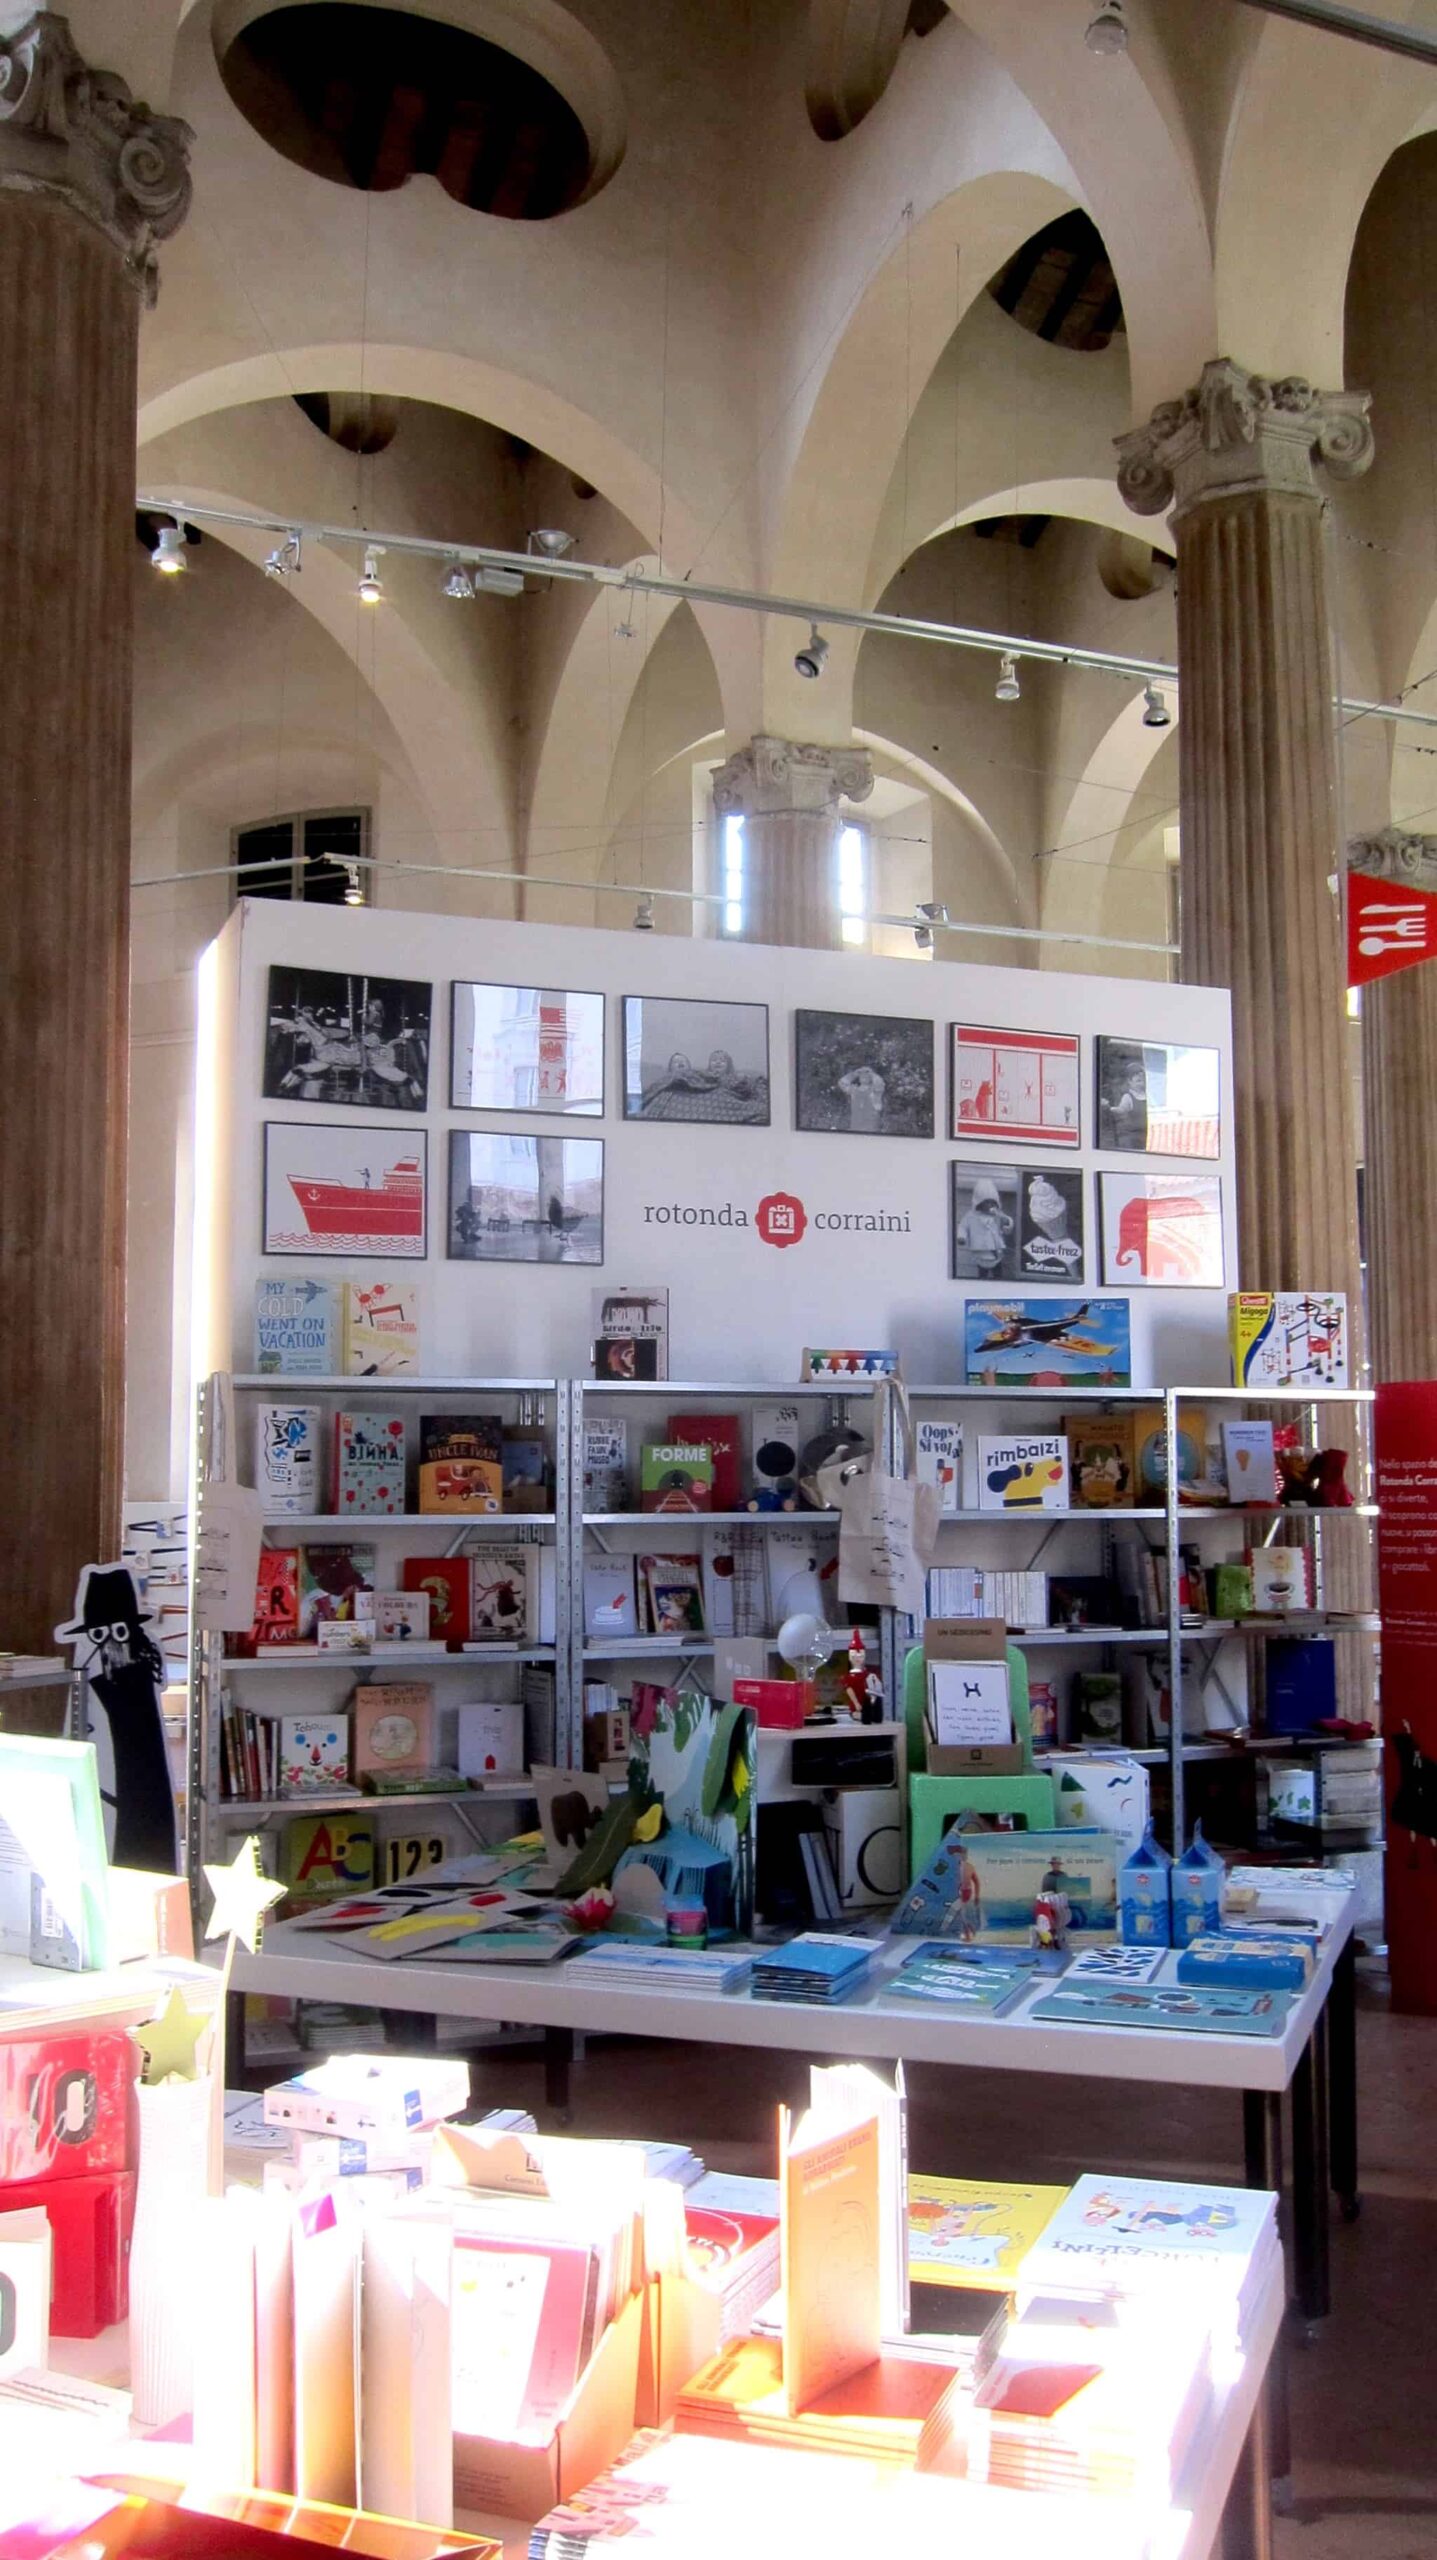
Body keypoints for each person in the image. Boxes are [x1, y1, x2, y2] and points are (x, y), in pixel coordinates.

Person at [954, 1175, 1014, 1274]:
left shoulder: (997, 1215)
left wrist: (1006, 1222)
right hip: (981, 1250)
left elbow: (1006, 1228)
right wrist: (961, 1237)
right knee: (982, 1271)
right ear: (979, 1203)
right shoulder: (971, 1216)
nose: (991, 1205)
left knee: (998, 1271)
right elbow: (963, 1226)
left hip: (996, 1250)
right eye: (987, 1203)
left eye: (993, 1203)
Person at [838, 1061, 885, 1132]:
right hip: (855, 1128)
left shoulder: (874, 1091)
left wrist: (872, 1074)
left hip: (871, 1130)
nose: (864, 1076)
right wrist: (854, 1074)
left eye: (866, 1074)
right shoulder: (854, 1090)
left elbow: (880, 1084)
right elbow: (842, 1083)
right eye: (862, 1074)